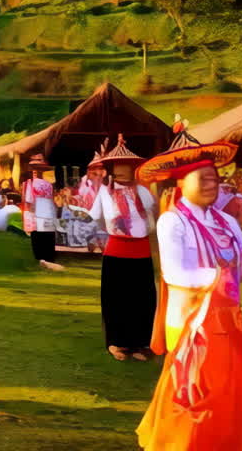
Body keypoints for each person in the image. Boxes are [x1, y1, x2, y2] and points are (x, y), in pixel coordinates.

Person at [134, 135, 242, 450]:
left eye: (216, 178)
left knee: (226, 397)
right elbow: (174, 273)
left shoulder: (226, 222)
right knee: (194, 401)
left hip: (228, 324)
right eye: (204, 178)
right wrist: (218, 275)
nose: (213, 184)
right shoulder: (173, 221)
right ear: (184, 182)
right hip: (191, 326)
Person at [89, 134, 158, 362]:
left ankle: (139, 342)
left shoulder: (144, 192)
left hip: (141, 251)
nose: (122, 170)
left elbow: (153, 216)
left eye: (126, 166)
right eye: (118, 166)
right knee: (116, 300)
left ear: (133, 168)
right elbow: (97, 218)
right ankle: (115, 342)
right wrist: (112, 232)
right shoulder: (105, 193)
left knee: (142, 299)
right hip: (116, 251)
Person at [22, 155, 63, 270]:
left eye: (37, 168)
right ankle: (48, 260)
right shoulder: (48, 184)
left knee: (39, 240)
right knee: (46, 239)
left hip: (38, 214)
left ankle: (42, 260)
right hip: (47, 214)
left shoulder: (30, 184)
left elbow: (28, 202)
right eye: (34, 169)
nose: (35, 171)